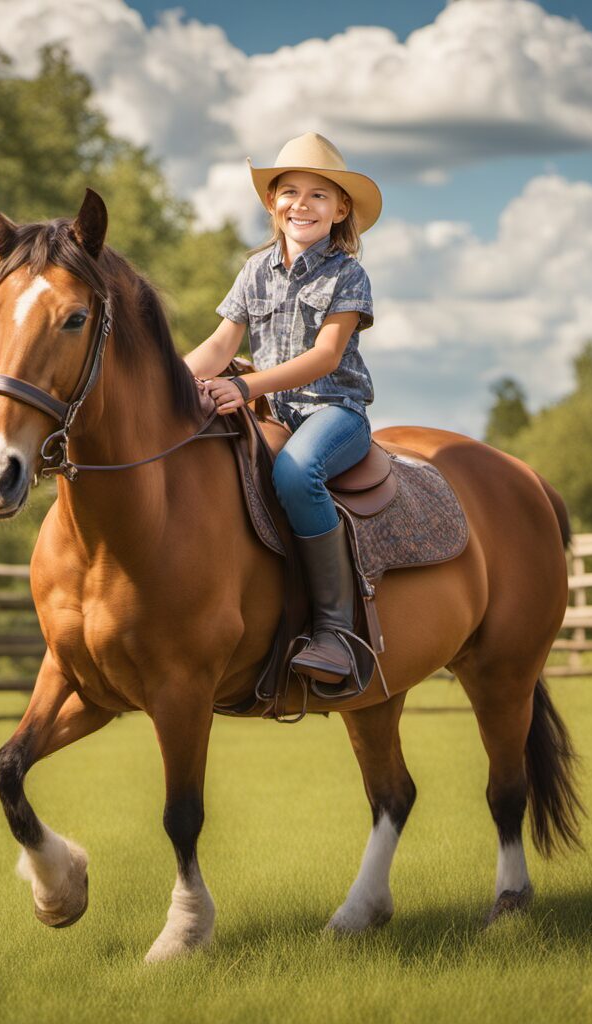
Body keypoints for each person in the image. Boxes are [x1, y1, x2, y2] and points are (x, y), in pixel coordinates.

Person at [184, 131, 381, 688]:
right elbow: (221, 347)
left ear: (341, 209)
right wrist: (167, 379)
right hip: (275, 414)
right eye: (289, 191)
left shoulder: (347, 274)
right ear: (273, 203)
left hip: (335, 413)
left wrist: (246, 390)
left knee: (297, 473)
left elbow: (325, 356)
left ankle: (336, 632)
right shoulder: (254, 271)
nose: (302, 203)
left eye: (319, 195)